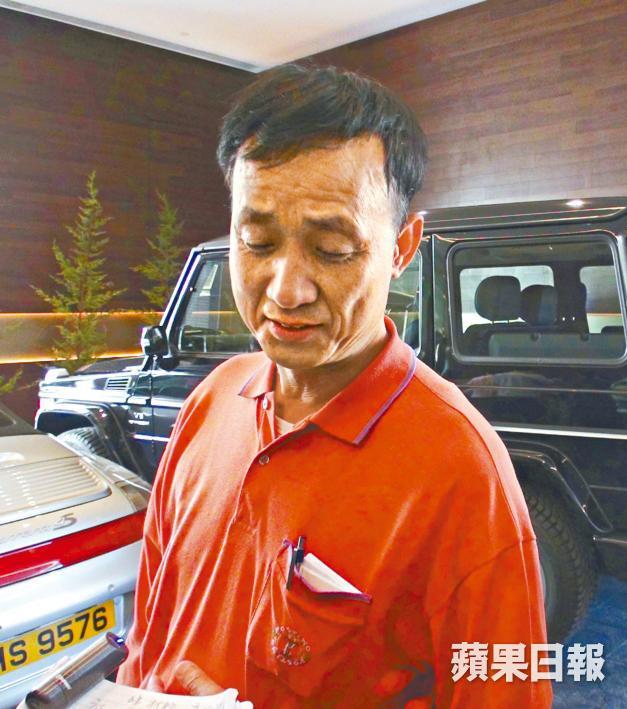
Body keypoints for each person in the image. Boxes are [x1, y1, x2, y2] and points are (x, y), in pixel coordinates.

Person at [117, 63, 552, 707]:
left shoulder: (462, 472)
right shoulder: (211, 400)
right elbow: (153, 624)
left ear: (402, 247)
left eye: (332, 250)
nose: (286, 290)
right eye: (257, 242)